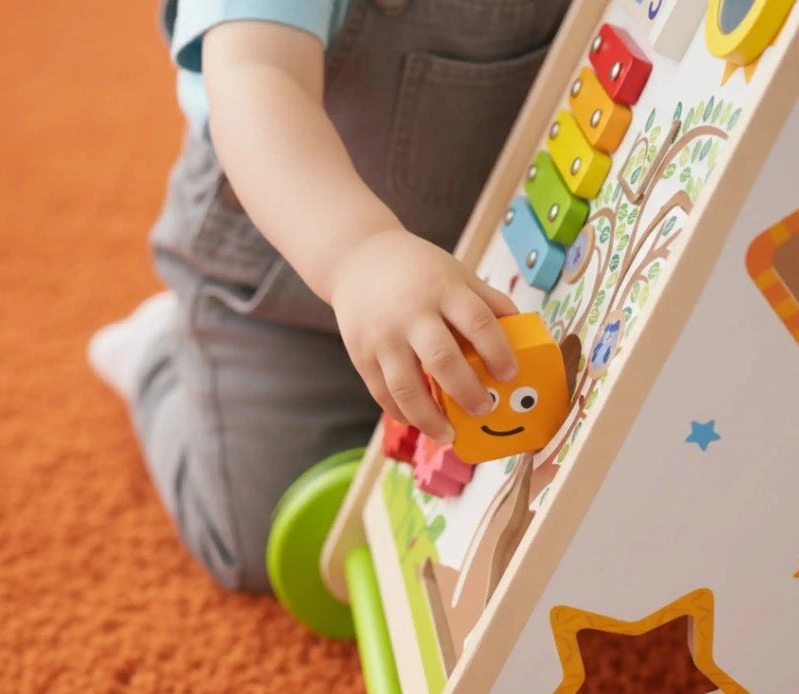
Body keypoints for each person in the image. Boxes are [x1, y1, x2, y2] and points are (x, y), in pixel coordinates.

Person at [88, 0, 569, 592]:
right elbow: (255, 75)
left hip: (493, 253)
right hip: (282, 289)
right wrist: (359, 254)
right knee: (273, 527)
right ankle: (159, 355)